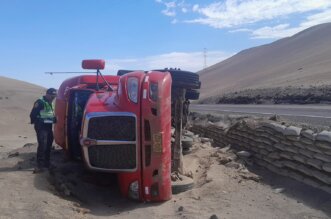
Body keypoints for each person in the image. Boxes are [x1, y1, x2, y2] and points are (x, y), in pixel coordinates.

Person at [29, 88, 57, 173]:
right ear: (47, 94)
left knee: (49, 144)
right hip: (41, 127)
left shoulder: (50, 102)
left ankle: (46, 163)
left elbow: (49, 113)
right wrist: (38, 121)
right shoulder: (40, 102)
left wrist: (53, 119)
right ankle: (40, 165)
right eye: (52, 96)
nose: (53, 98)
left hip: (48, 126)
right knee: (43, 145)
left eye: (54, 96)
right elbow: (32, 114)